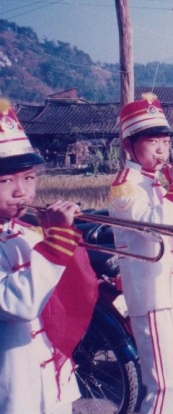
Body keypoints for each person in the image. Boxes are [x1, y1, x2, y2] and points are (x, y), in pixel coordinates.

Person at [0, 100, 95, 414]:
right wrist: (56, 244)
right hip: (13, 385)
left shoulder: (27, 232)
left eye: (28, 178)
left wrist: (64, 240)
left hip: (51, 380)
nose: (21, 192)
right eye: (6, 181)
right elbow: (20, 304)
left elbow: (68, 290)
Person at [108, 93, 173, 414]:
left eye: (165, 142)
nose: (162, 149)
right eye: (152, 142)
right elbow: (156, 226)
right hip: (150, 297)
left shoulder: (157, 181)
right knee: (161, 389)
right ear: (129, 145)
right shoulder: (124, 186)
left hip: (171, 291)